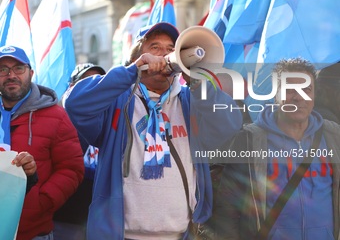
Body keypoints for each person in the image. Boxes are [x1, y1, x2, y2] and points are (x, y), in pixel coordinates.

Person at [64, 22, 242, 240]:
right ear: (138, 57)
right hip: (121, 234)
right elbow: (75, 103)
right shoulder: (118, 102)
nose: (164, 55)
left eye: (171, 49)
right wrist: (131, 73)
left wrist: (199, 83)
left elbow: (229, 124)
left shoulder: (190, 102)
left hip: (180, 234)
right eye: (155, 47)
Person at [211, 58, 340, 239]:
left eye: (306, 90)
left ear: (314, 96)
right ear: (275, 94)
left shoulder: (333, 135)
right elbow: (229, 207)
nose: (298, 96)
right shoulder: (250, 140)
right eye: (289, 89)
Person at [0, 45, 84, 240]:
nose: (11, 75)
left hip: (33, 232)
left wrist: (42, 202)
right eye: (3, 69)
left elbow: (72, 169)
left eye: (18, 68)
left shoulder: (56, 116)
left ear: (31, 73)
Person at [54, 63, 106, 240]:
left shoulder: (113, 122)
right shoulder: (59, 124)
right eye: (85, 81)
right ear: (71, 88)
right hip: (66, 221)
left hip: (102, 222)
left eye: (99, 82)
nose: (92, 87)